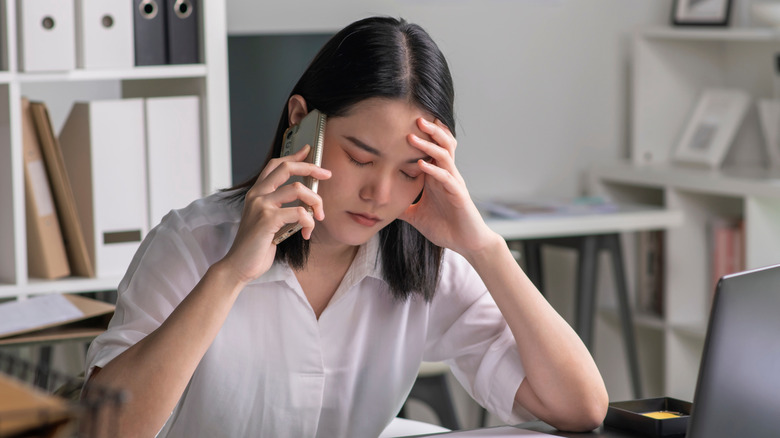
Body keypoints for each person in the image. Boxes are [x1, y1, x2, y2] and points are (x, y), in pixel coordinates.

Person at [84, 16, 608, 437]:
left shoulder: (421, 259)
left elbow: (581, 407)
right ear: (300, 122)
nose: (379, 194)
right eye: (360, 158)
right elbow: (102, 430)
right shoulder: (191, 242)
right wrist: (230, 275)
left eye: (409, 171)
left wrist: (484, 247)